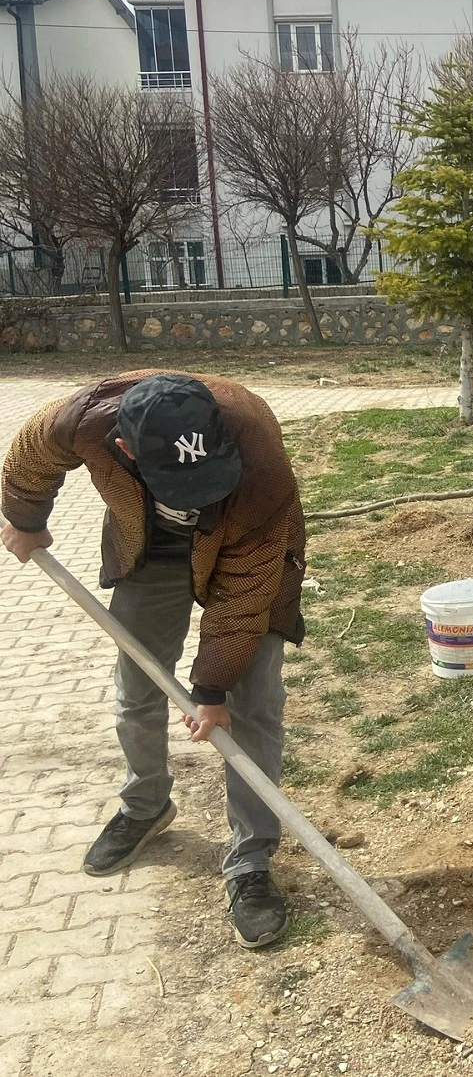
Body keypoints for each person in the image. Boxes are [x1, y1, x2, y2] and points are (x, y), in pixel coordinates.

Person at [1, 372, 307, 946]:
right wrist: (26, 519)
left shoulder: (258, 455)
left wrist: (211, 691)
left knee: (254, 706)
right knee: (138, 689)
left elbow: (242, 599)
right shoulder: (80, 419)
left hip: (249, 547)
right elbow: (28, 459)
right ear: (124, 448)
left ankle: (250, 858)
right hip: (149, 552)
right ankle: (145, 806)